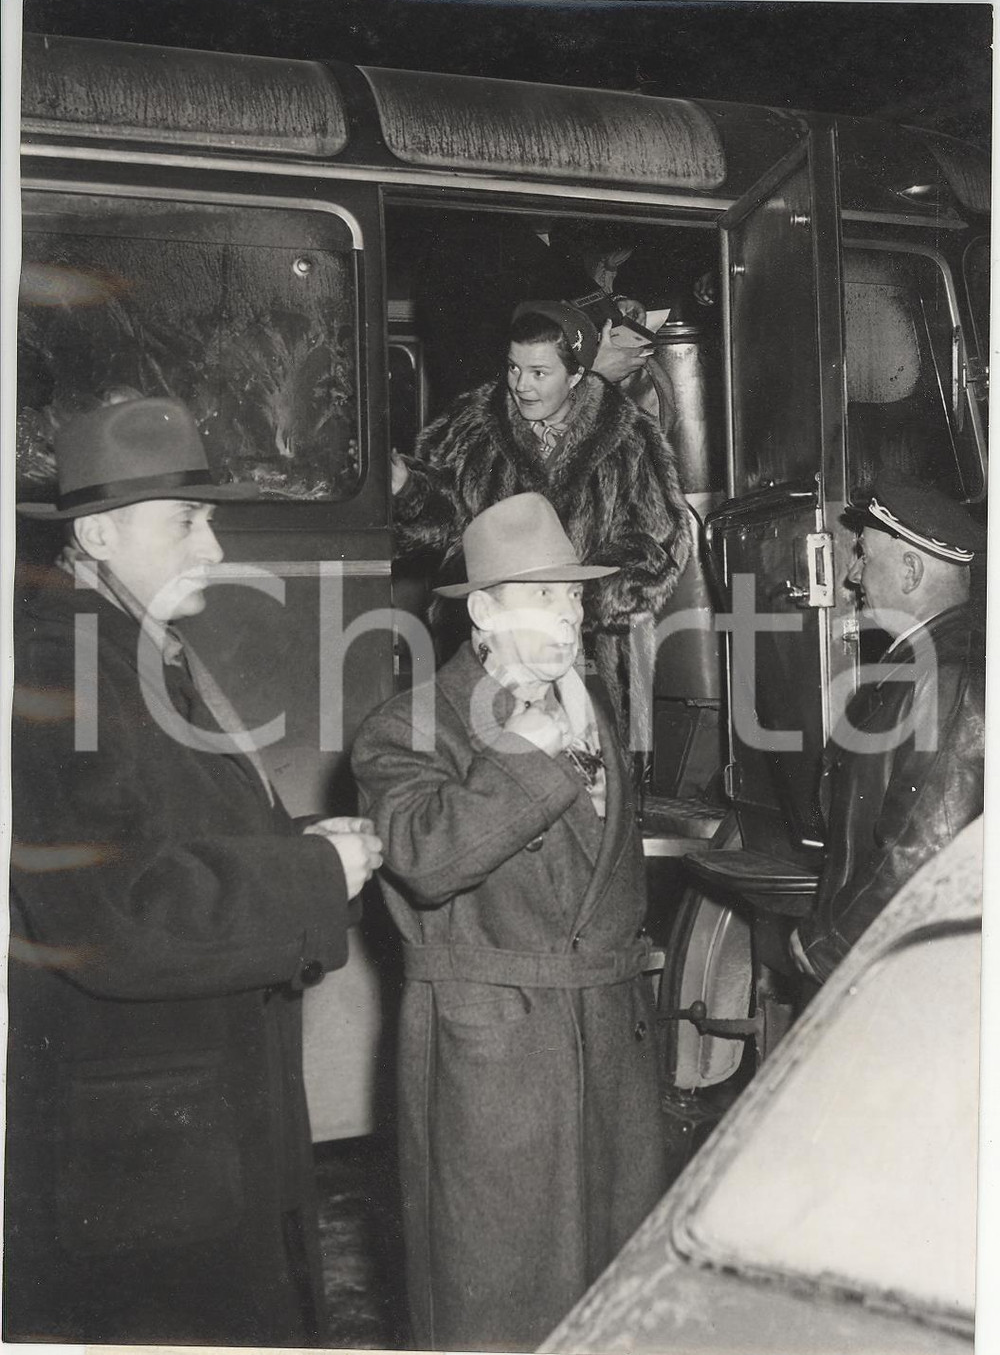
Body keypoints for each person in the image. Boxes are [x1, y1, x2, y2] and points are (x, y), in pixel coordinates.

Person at [6, 395, 384, 1346]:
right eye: (187, 521)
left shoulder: (126, 649)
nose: (213, 550)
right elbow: (117, 916)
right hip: (146, 1176)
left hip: (178, 1148)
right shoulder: (63, 671)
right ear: (96, 533)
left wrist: (303, 840)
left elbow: (173, 833)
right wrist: (309, 876)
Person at [352, 494, 668, 1352]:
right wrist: (528, 755)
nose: (569, 612)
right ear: (484, 610)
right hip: (490, 1060)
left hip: (607, 1048)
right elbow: (422, 858)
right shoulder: (407, 726)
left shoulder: (595, 705)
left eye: (572, 595)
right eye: (541, 594)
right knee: (496, 1302)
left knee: (616, 1302)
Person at [391, 299, 692, 735]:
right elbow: (449, 522)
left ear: (576, 375)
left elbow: (658, 544)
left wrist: (571, 603)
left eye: (539, 373)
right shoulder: (473, 424)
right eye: (514, 369)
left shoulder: (629, 437)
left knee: (589, 773)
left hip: (590, 649)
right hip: (485, 639)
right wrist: (409, 490)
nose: (521, 387)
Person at [792, 477, 986, 983]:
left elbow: (925, 851)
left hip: (901, 973)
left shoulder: (949, 679)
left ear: (911, 569)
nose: (852, 574)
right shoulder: (921, 665)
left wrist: (830, 946)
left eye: (863, 553)